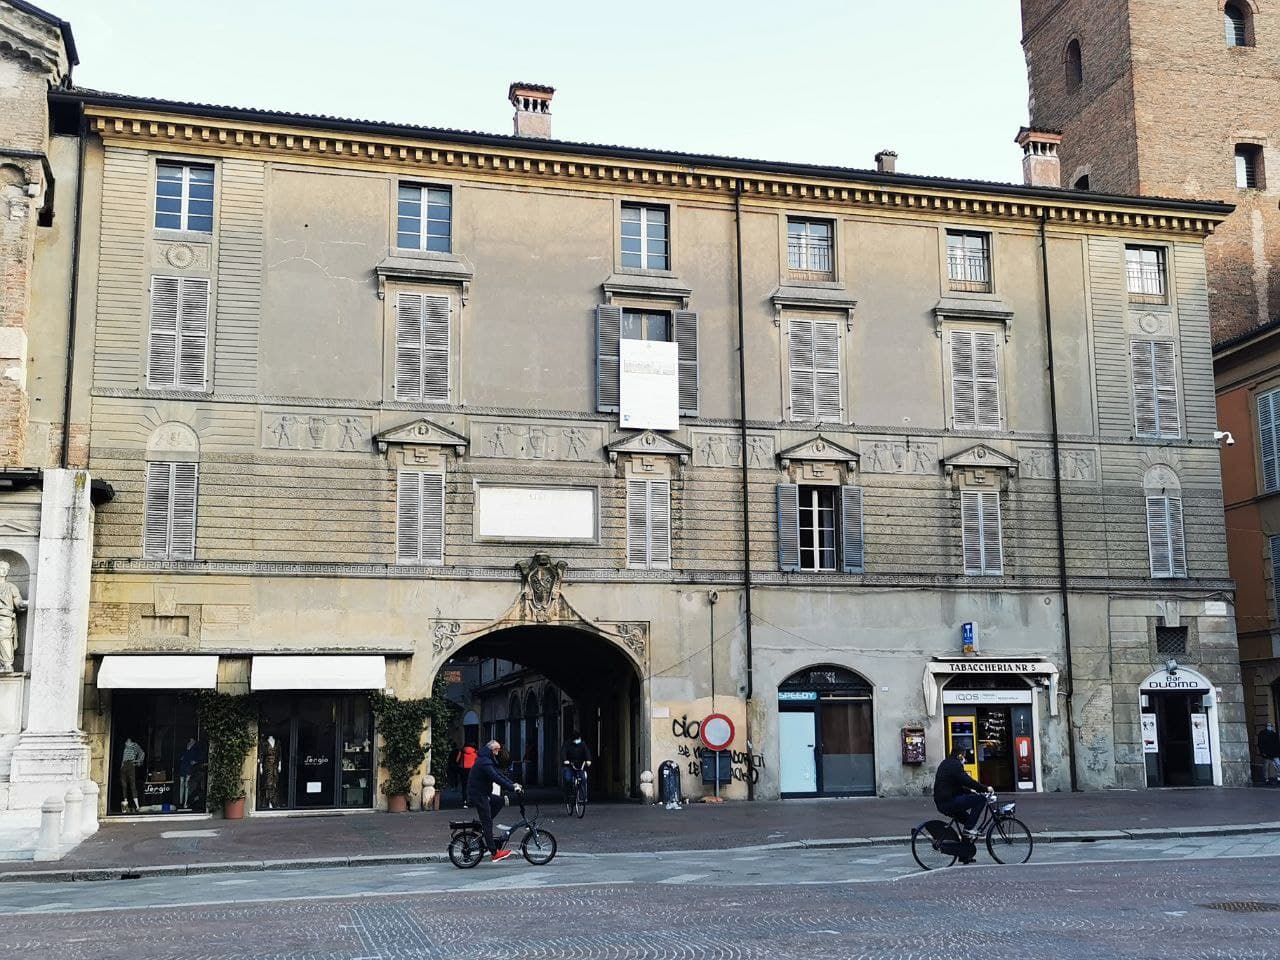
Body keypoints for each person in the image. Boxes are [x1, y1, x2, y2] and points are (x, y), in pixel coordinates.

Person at [465, 740, 522, 863]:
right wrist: (512, 788)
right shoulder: (484, 762)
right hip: (479, 795)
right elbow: (496, 778)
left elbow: (499, 774)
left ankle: (484, 823)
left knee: (499, 801)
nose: (498, 753)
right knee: (488, 823)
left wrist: (513, 784)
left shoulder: (486, 760)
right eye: (496, 750)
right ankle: (494, 853)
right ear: (492, 750)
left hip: (483, 793)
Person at [933, 744, 989, 859]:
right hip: (948, 802)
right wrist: (984, 788)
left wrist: (971, 792)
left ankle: (964, 855)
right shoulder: (955, 765)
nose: (965, 758)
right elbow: (966, 781)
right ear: (959, 755)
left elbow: (956, 786)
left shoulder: (946, 763)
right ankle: (968, 829)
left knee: (968, 820)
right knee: (980, 800)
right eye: (964, 755)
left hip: (943, 802)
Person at [562, 732, 592, 803]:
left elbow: (587, 752)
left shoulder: (583, 744)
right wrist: (565, 760)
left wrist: (588, 760)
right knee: (568, 779)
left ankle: (582, 797)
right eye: (576, 739)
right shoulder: (567, 744)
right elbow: (563, 753)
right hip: (569, 765)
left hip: (580, 765)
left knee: (583, 778)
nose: (577, 740)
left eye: (578, 739)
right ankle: (568, 796)